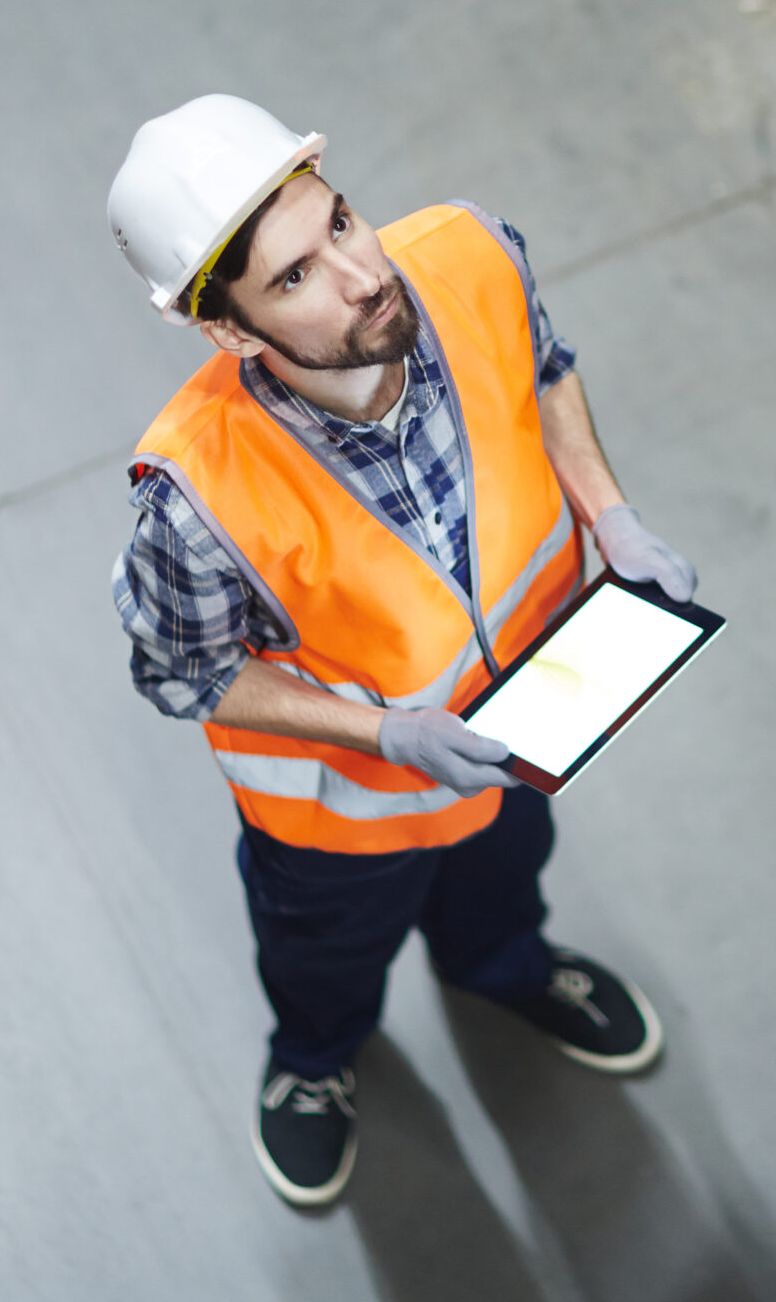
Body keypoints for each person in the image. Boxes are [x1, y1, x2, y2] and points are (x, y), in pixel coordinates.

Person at [106, 95, 697, 1208]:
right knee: (323, 963)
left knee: (505, 884)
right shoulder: (196, 496)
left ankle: (506, 971)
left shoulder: (470, 259)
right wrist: (387, 733)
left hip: (528, 726)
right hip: (342, 820)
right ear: (230, 333)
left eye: (338, 223)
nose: (358, 275)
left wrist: (610, 514)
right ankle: (315, 1064)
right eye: (291, 279)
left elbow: (545, 364)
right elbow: (182, 673)